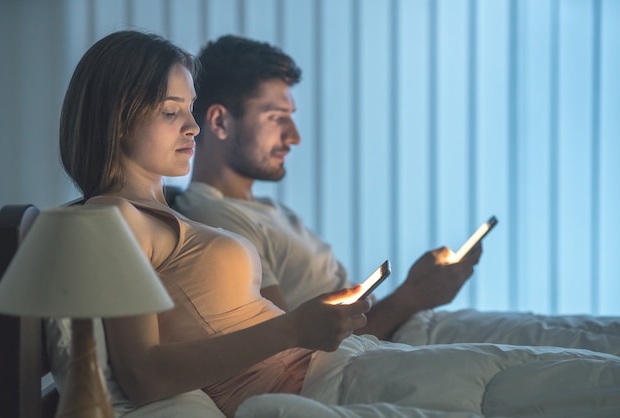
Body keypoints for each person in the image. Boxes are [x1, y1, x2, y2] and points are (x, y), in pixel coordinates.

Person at [58, 30, 620, 418]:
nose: (193, 127)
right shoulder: (112, 218)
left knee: (569, 372)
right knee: (576, 385)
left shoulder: (160, 212)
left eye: (190, 108)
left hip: (341, 363)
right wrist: (292, 329)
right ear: (117, 113)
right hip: (318, 380)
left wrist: (315, 325)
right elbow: (144, 375)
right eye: (170, 111)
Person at [174, 35, 620, 354]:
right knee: (580, 356)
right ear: (219, 122)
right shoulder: (218, 220)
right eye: (276, 117)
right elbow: (295, 350)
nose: (294, 136)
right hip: (390, 342)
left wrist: (414, 298)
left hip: (408, 328)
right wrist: (413, 294)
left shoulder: (268, 208)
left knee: (585, 334)